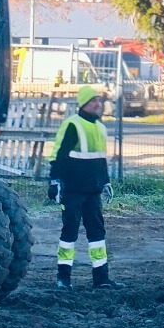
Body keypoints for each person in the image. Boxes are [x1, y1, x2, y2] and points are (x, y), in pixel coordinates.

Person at [47, 85, 111, 288]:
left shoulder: (100, 127)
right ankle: (63, 278)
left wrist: (106, 181)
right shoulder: (72, 125)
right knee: (69, 234)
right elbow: (59, 155)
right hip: (73, 190)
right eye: (93, 101)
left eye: (99, 101)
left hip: (93, 191)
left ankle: (101, 279)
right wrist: (55, 181)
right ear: (83, 104)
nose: (97, 104)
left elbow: (101, 159)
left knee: (97, 235)